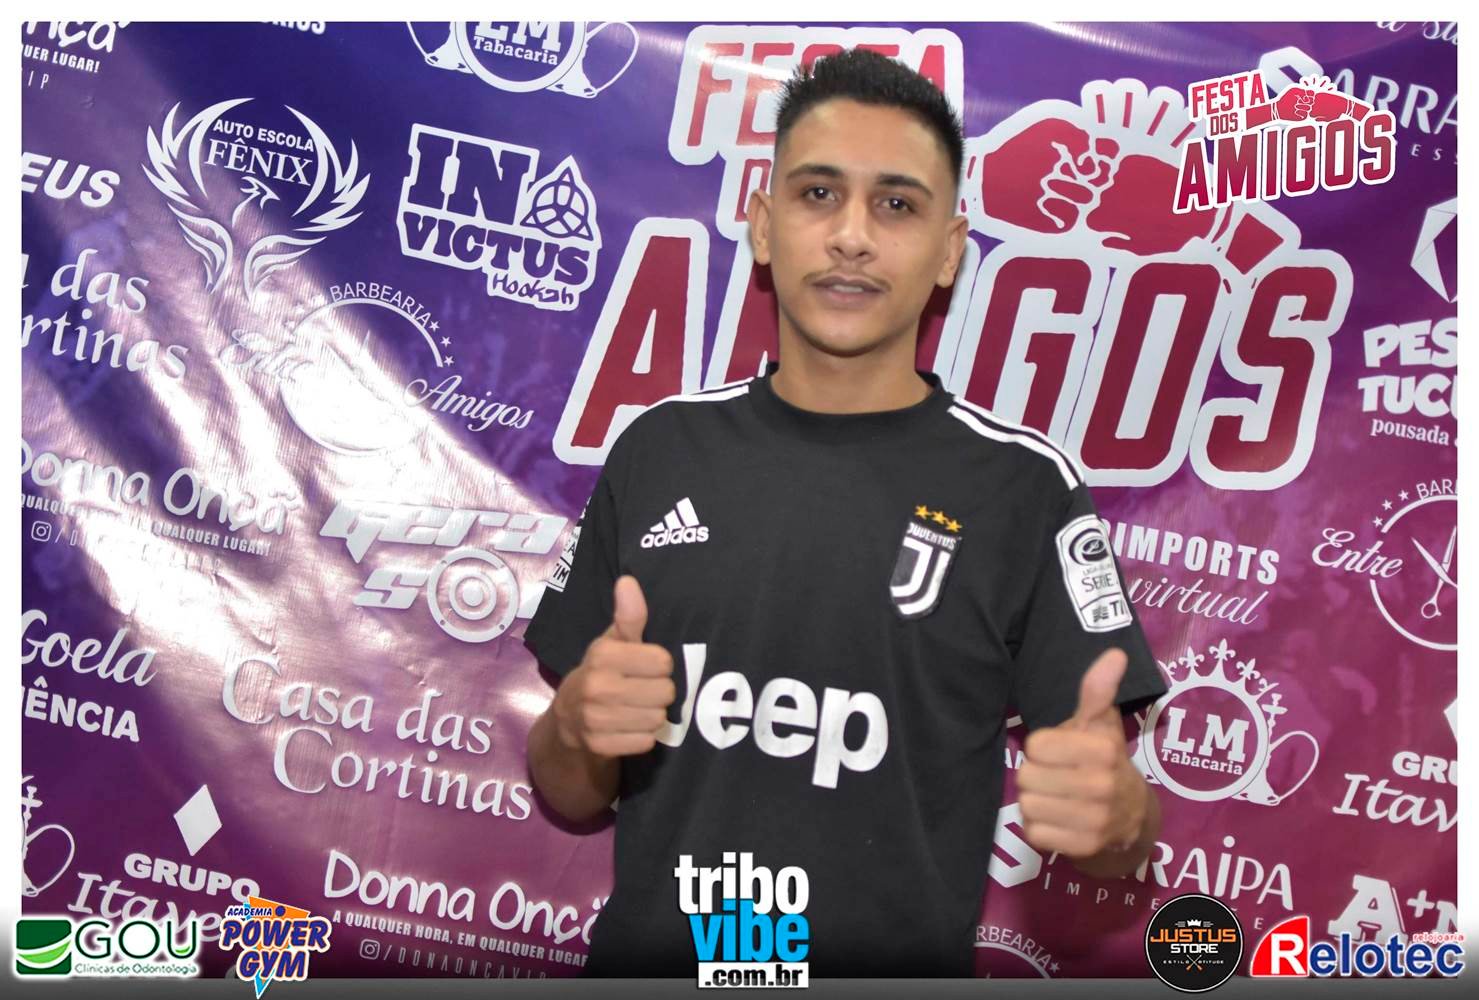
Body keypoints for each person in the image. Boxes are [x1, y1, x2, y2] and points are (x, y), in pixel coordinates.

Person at [523, 48, 1169, 978]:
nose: (851, 236)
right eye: (818, 194)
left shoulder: (1024, 489)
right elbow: (570, 791)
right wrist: (575, 726)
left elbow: (1116, 842)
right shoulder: (659, 448)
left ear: (948, 251)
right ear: (762, 225)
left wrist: (1117, 815)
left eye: (896, 205)